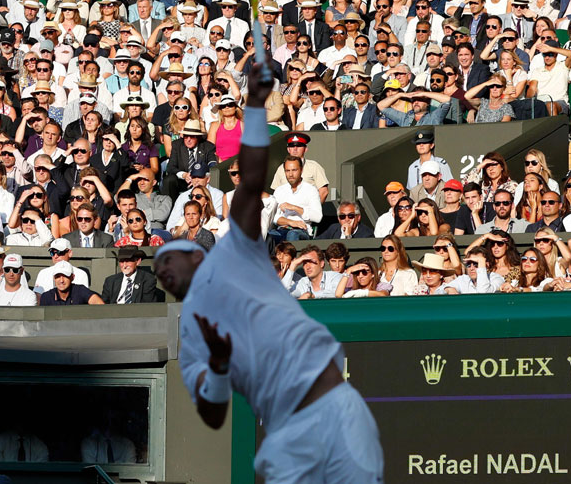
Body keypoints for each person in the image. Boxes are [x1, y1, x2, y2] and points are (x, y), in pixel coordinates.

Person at [151, 65, 383, 482]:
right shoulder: (242, 205)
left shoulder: (300, 189)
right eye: (237, 176)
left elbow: (304, 217)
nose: (290, 169)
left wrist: (287, 215)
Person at [38, 262, 103, 305]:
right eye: (58, 276)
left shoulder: (81, 291)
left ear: (72, 277)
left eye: (65, 276)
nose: (61, 280)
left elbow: (100, 305)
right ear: (54, 278)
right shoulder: (46, 297)